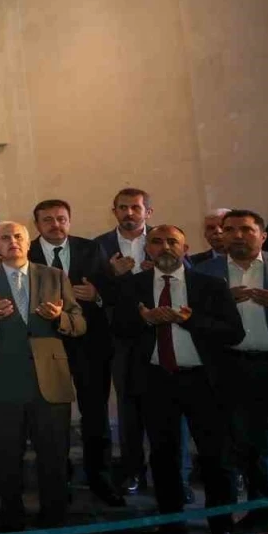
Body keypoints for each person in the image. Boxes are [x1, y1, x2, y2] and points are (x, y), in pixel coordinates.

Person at [112, 224, 244, 534]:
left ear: (186, 249)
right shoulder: (133, 286)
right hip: (156, 381)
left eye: (173, 241)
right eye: (157, 242)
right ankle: (172, 522)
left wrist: (191, 321)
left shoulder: (210, 285)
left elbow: (233, 332)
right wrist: (144, 320)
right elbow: (118, 329)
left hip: (204, 383)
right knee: (163, 455)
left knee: (216, 459)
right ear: (149, 250)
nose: (165, 247)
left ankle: (222, 530)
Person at [0, 221, 84, 534]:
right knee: (6, 458)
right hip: (4, 382)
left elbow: (79, 322)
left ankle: (55, 528)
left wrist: (60, 318)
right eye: (4, 238)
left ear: (28, 242)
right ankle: (12, 524)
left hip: (50, 381)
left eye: (18, 236)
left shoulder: (54, 276)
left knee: (54, 459)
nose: (12, 241)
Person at [197, 210, 268, 534]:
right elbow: (195, 319)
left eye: (246, 229)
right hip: (236, 370)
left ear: (263, 235)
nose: (237, 235)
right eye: (229, 229)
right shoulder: (206, 272)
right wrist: (222, 302)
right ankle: (262, 516)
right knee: (251, 450)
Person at [29, 200, 124, 506]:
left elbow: (113, 290)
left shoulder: (91, 249)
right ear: (37, 225)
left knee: (95, 413)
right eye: (47, 220)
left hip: (89, 345)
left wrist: (97, 295)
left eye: (61, 219)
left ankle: (100, 476)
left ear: (69, 221)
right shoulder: (25, 252)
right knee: (51, 416)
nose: (55, 225)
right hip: (46, 345)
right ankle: (59, 478)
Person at [96, 186, 154, 494]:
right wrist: (112, 274)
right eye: (122, 207)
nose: (129, 213)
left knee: (168, 407)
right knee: (128, 406)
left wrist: (158, 270)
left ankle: (175, 476)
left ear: (148, 212)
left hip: (161, 334)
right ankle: (133, 471)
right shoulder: (99, 246)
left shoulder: (165, 239)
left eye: (135, 207)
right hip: (119, 337)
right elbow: (92, 291)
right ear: (114, 211)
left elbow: (187, 278)